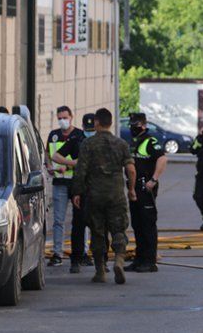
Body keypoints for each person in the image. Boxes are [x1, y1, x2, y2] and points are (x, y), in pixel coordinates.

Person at [71, 108, 136, 284]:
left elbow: (81, 170)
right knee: (118, 229)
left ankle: (100, 271)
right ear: (111, 122)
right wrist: (131, 189)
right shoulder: (121, 144)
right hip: (116, 194)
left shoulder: (88, 144)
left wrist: (76, 192)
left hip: (94, 195)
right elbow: (130, 169)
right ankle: (120, 260)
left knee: (98, 232)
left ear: (97, 123)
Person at [54, 113, 97, 273]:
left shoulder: (105, 141)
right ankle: (77, 258)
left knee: (99, 226)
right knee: (78, 225)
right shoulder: (77, 140)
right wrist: (72, 163)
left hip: (99, 189)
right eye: (87, 128)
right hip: (81, 188)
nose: (89, 131)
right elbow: (56, 155)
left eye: (92, 129)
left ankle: (100, 258)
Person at [126, 112, 168, 273]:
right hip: (134, 187)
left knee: (147, 224)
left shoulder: (151, 141)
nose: (132, 129)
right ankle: (139, 259)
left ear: (144, 125)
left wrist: (154, 179)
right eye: (131, 126)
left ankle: (150, 261)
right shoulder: (133, 142)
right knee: (137, 224)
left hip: (146, 187)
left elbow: (163, 159)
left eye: (135, 126)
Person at [45, 106, 85, 267]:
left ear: (71, 117)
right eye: (59, 118)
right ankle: (57, 253)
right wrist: (49, 166)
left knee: (82, 220)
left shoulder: (79, 135)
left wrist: (69, 165)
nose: (62, 120)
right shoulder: (53, 135)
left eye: (65, 117)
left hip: (76, 183)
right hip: (60, 182)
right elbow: (48, 154)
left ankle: (83, 251)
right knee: (58, 220)